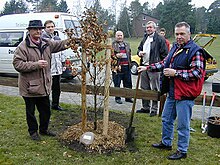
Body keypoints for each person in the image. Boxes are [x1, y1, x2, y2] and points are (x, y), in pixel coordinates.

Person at [138, 22, 205, 160]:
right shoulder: (175, 47)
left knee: (182, 125)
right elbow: (164, 63)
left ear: (189, 34)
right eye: (177, 34)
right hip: (172, 92)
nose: (179, 37)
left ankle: (182, 150)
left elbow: (197, 72)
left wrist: (176, 73)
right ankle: (166, 142)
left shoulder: (195, 51)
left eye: (182, 34)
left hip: (185, 95)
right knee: (166, 119)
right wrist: (147, 68)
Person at [13, 20, 69, 141]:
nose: (38, 31)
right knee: (31, 112)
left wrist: (75, 40)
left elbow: (60, 44)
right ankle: (33, 132)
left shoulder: (46, 43)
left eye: (40, 29)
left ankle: (44, 130)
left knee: (46, 111)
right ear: (29, 31)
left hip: (43, 86)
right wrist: (36, 64)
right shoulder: (23, 47)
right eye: (35, 29)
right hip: (29, 87)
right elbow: (17, 64)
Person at [136, 21, 168, 116]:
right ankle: (146, 107)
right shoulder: (145, 38)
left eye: (150, 27)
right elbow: (139, 48)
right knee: (144, 88)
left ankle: (154, 109)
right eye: (147, 27)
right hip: (143, 67)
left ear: (155, 29)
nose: (149, 29)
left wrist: (160, 66)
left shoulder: (160, 39)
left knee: (154, 88)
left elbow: (165, 55)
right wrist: (139, 53)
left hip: (154, 68)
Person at [42, 20, 64, 111]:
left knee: (56, 88)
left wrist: (62, 63)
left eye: (52, 26)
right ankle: (45, 105)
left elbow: (61, 52)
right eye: (48, 27)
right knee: (46, 88)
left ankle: (55, 104)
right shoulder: (43, 39)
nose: (50, 28)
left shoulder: (57, 38)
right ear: (45, 28)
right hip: (48, 69)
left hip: (57, 68)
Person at [111, 30, 133, 104]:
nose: (120, 37)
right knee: (117, 83)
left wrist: (131, 64)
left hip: (127, 67)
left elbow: (129, 55)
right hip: (117, 67)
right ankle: (118, 98)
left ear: (123, 36)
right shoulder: (112, 45)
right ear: (115, 36)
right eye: (118, 35)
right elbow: (108, 56)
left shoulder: (127, 44)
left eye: (121, 35)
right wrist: (115, 56)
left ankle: (128, 97)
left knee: (128, 83)